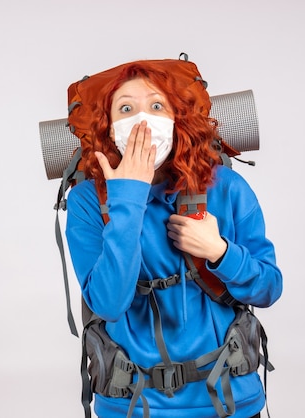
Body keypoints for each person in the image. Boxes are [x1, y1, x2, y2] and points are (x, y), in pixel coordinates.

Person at [64, 58, 283, 418]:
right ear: (108, 126)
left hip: (228, 401)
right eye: (125, 108)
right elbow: (107, 303)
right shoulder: (88, 200)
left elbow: (268, 288)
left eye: (155, 105)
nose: (142, 120)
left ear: (177, 118)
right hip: (133, 406)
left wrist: (219, 251)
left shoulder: (225, 186)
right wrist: (128, 199)